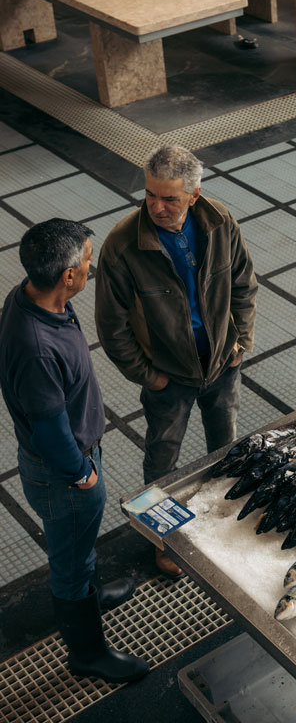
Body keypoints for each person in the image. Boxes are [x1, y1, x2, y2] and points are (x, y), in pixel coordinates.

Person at [95, 145, 257, 578]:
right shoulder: (123, 245)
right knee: (162, 464)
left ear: (194, 195)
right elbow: (111, 328)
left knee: (226, 450)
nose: (157, 207)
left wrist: (241, 341)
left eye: (169, 198)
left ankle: (225, 521)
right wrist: (151, 377)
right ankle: (163, 543)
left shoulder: (220, 222)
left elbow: (243, 285)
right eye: (150, 195)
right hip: (170, 379)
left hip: (223, 365)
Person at [0, 219, 148, 684]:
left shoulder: (32, 297)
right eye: (87, 260)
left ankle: (92, 593)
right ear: (67, 276)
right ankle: (88, 655)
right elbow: (48, 430)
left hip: (68, 464)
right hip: (64, 473)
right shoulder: (37, 348)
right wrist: (82, 473)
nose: (92, 266)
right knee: (69, 565)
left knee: (80, 550)